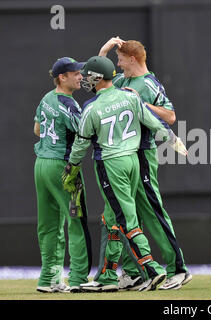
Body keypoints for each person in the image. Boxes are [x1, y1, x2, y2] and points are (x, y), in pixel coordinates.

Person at [62, 55, 187, 292]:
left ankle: (152, 269)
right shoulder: (130, 96)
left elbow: (81, 143)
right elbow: (152, 121)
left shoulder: (91, 107)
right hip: (133, 160)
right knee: (113, 218)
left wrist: (71, 167)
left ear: (98, 78)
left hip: (111, 164)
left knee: (125, 218)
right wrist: (172, 140)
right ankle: (108, 276)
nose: (86, 80)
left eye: (89, 76)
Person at [97, 37, 191, 290]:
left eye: (119, 59)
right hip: (124, 155)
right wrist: (104, 51)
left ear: (132, 59)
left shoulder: (148, 83)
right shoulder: (122, 80)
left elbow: (170, 116)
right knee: (126, 216)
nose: (117, 63)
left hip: (142, 153)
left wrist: (141, 103)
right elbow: (99, 79)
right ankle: (134, 272)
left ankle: (178, 269)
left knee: (152, 211)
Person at [33, 57, 92, 293]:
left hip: (41, 165)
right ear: (62, 77)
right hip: (62, 167)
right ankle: (78, 279)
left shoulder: (46, 98)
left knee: (48, 225)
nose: (81, 76)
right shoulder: (68, 104)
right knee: (76, 222)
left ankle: (48, 279)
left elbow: (37, 130)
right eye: (76, 73)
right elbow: (84, 133)